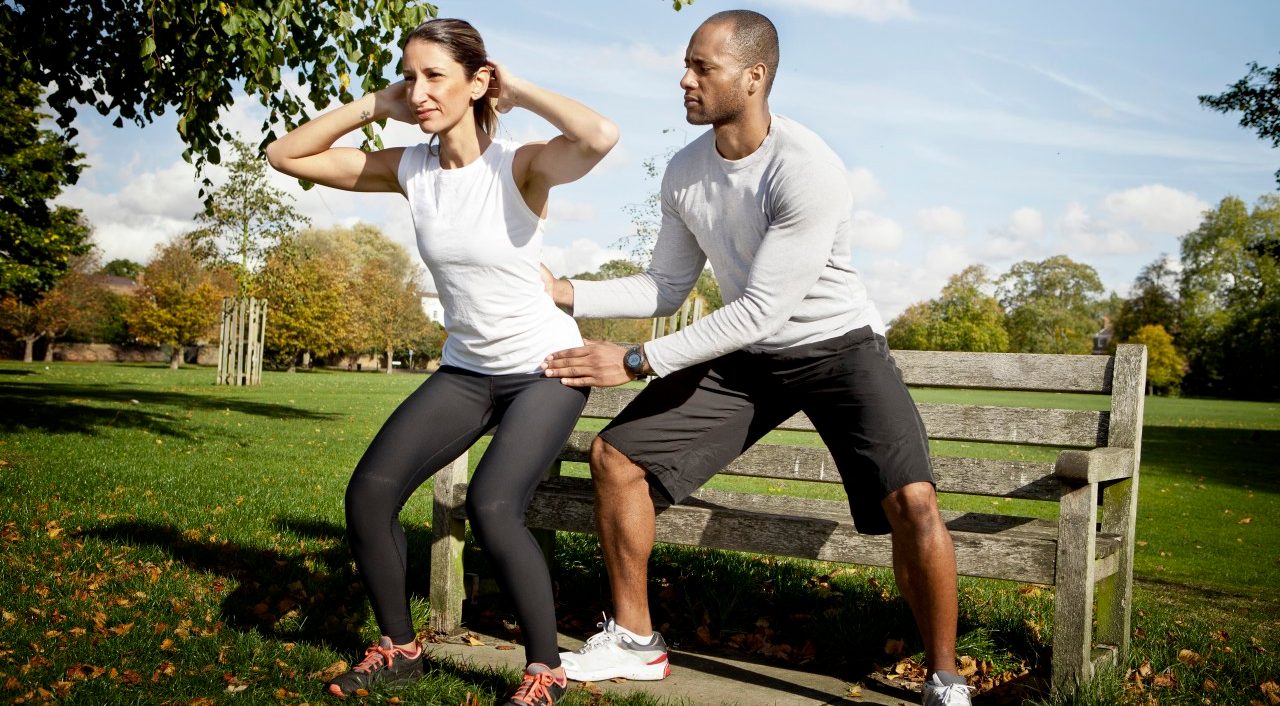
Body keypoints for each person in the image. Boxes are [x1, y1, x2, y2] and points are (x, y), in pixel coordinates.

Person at [539, 10, 972, 706]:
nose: (684, 80)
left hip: (838, 350)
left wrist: (638, 360)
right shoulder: (685, 172)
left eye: (701, 67)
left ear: (754, 76)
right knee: (616, 458)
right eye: (685, 64)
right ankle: (634, 638)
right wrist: (568, 290)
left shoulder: (807, 169)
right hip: (751, 357)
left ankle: (946, 678)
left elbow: (763, 308)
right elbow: (666, 285)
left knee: (914, 501)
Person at [266, 17, 617, 705]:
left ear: (476, 81)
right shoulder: (411, 168)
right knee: (368, 494)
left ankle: (544, 669)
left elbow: (599, 137)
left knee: (492, 505)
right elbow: (286, 155)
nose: (419, 91)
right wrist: (375, 106)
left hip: (545, 367)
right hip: (467, 371)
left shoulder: (519, 165)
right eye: (410, 76)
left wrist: (514, 86)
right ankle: (399, 649)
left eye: (434, 77)